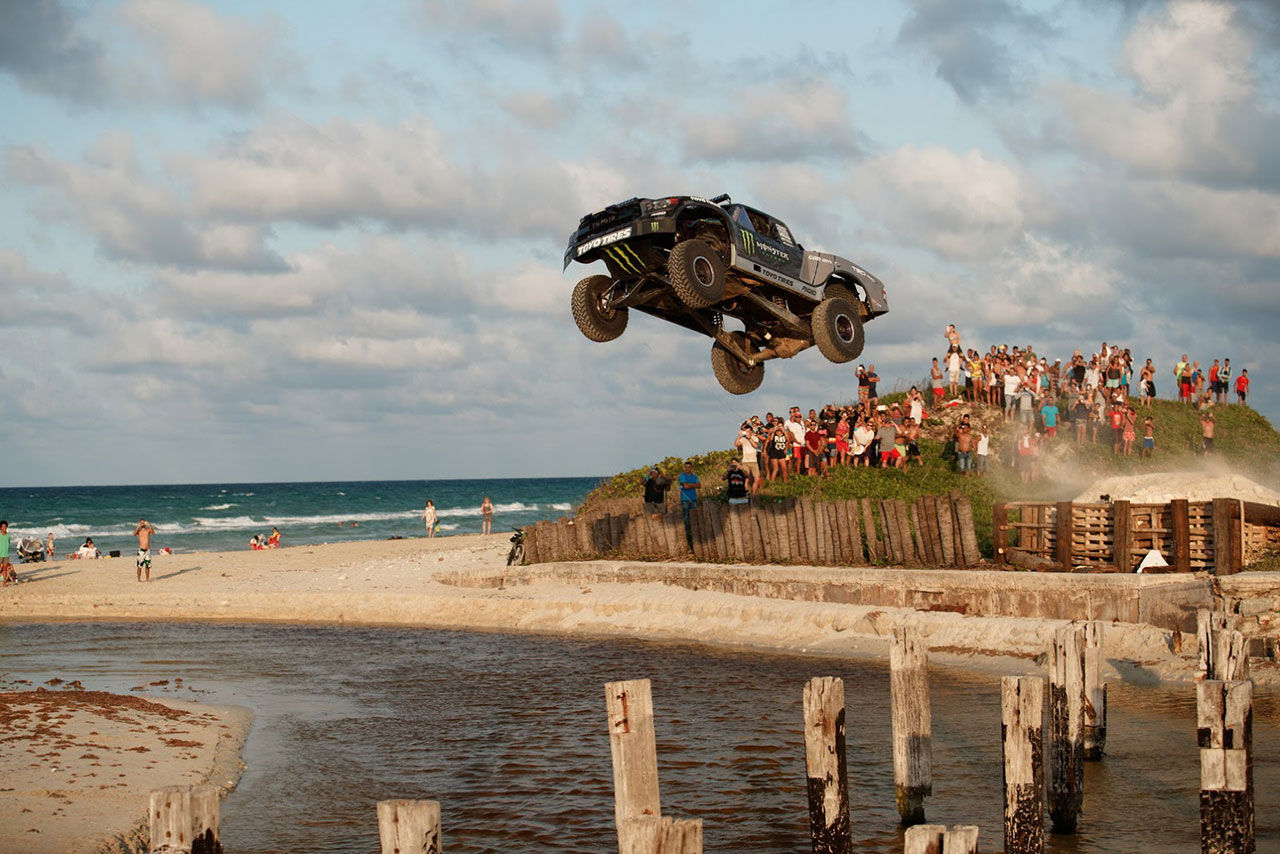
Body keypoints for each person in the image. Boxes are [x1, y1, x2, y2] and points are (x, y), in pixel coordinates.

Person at [736, 422, 762, 494]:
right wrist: (739, 436)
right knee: (746, 479)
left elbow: (756, 446)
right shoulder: (743, 439)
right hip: (745, 462)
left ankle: (753, 493)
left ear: (751, 431)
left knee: (757, 479)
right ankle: (746, 494)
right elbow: (736, 444)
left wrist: (749, 438)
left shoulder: (755, 438)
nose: (746, 433)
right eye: (745, 431)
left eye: (748, 431)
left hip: (754, 461)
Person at [678, 461, 701, 533]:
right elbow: (686, 486)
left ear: (691, 468)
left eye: (689, 467)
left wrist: (690, 484)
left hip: (693, 499)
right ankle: (687, 532)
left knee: (694, 516)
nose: (687, 468)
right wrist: (693, 485)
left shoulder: (695, 476)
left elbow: (699, 485)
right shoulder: (682, 476)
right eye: (686, 467)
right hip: (685, 499)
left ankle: (694, 532)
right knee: (686, 517)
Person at [0, 521, 14, 585]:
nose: (4, 528)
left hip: (6, 555)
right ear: (0, 527)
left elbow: (8, 543)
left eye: (5, 526)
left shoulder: (8, 535)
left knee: (5, 569)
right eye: (3, 526)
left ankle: (4, 582)